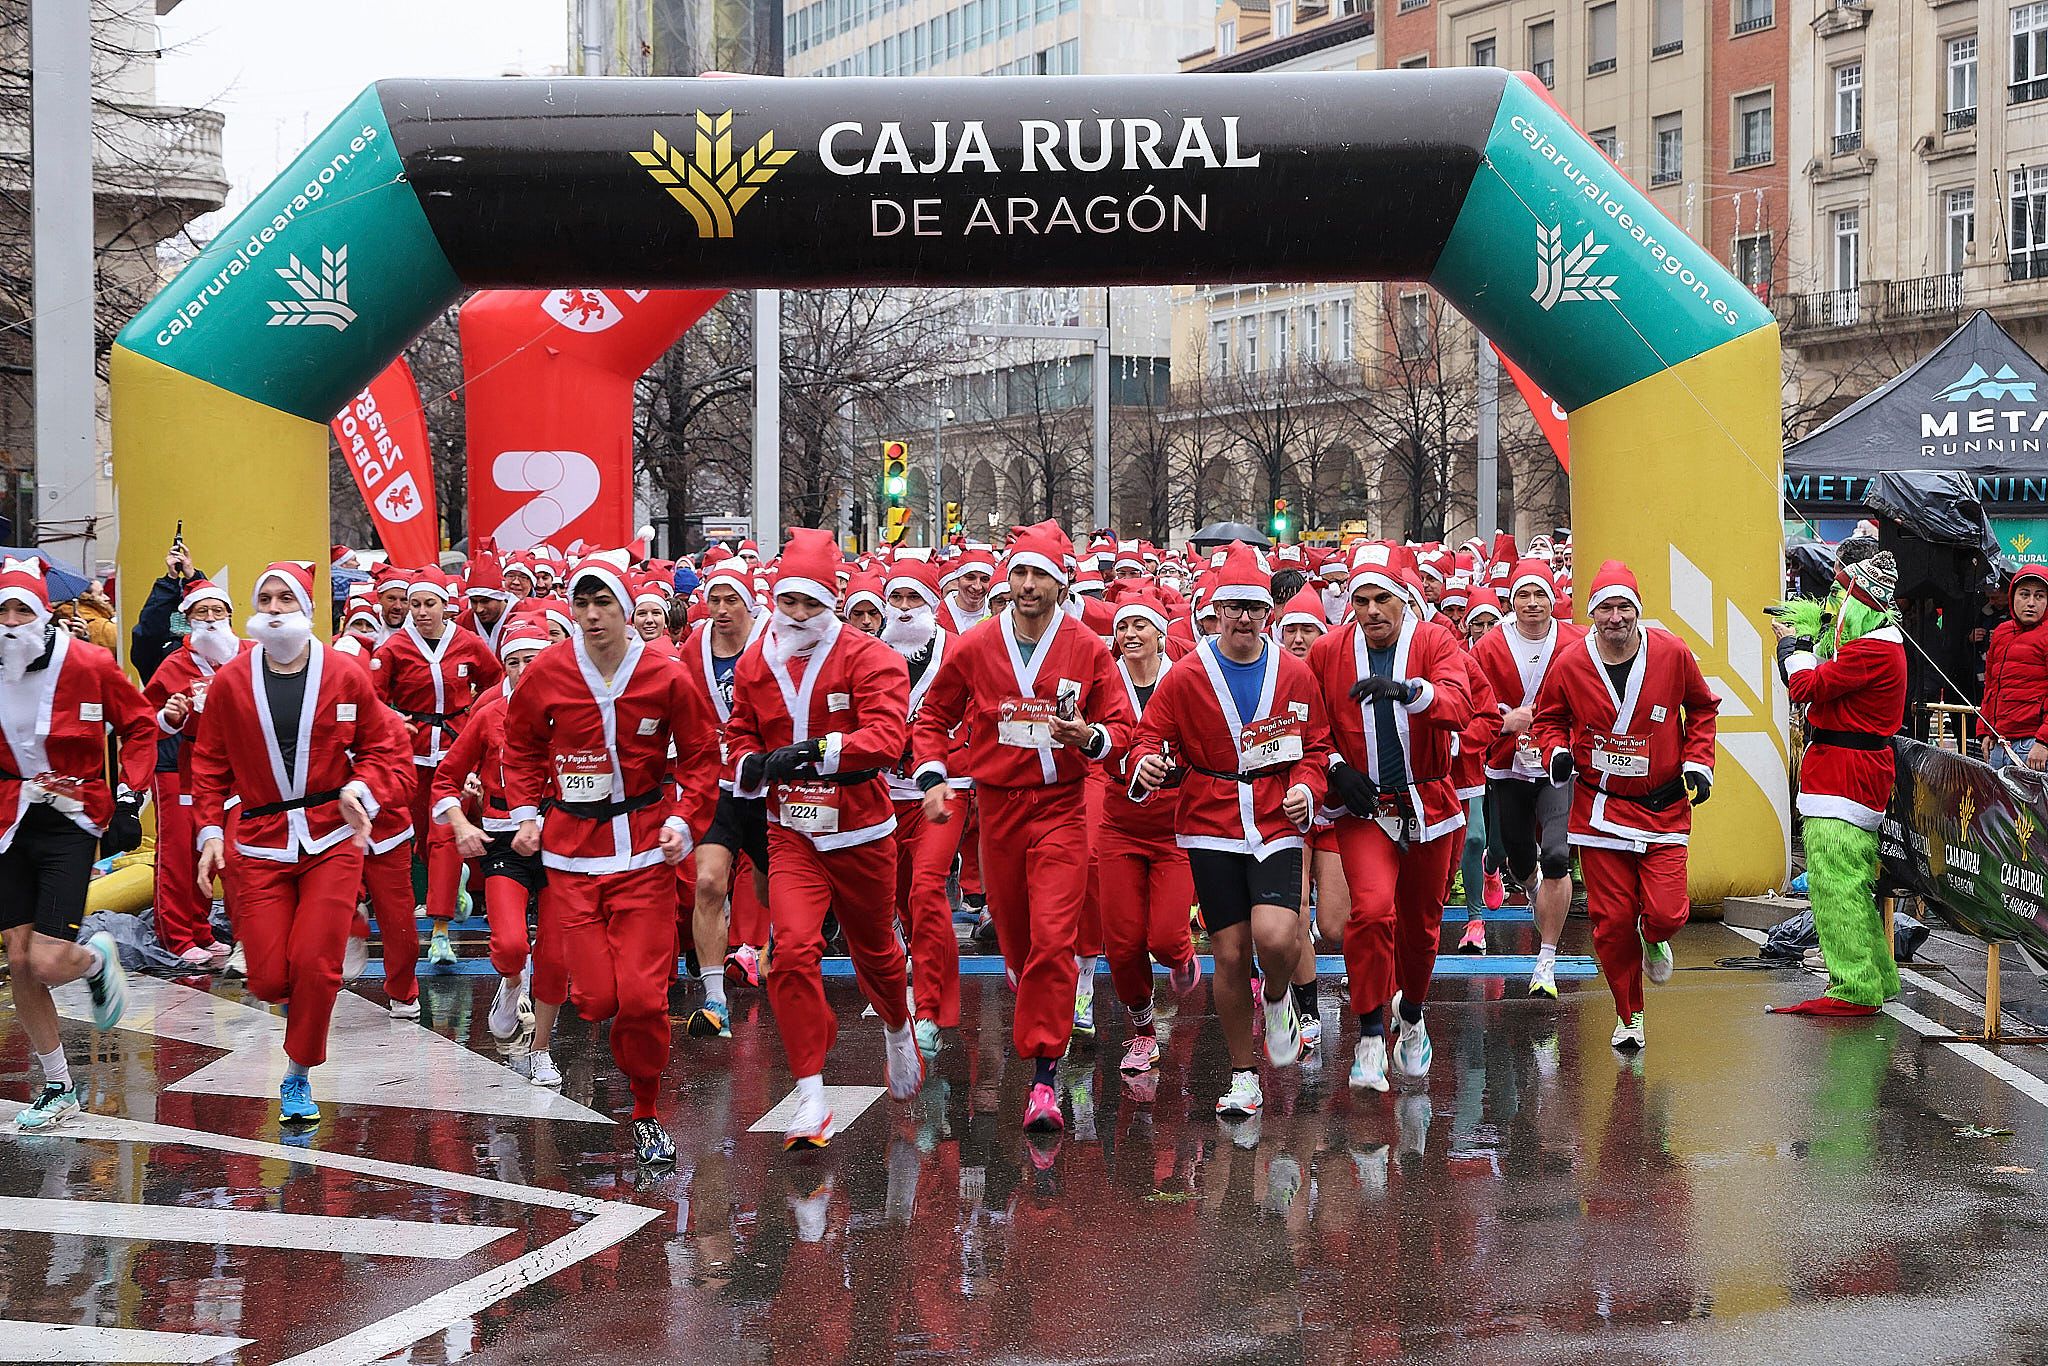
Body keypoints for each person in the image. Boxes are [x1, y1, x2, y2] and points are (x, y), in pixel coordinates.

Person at [912, 523, 1133, 1135]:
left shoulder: (1086, 647)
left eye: (1040, 575)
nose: (1028, 585)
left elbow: (1119, 725)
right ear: (1007, 582)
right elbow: (933, 713)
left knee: (1054, 939)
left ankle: (1043, 1079)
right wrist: (933, 775)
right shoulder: (977, 644)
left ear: (1061, 584)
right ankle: (1030, 977)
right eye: (1020, 574)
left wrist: (1090, 737)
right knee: (1017, 940)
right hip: (999, 808)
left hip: (1062, 805)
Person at [502, 556, 715, 1165]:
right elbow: (519, 745)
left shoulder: (666, 676)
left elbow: (701, 755)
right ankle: (612, 1043)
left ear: (628, 610)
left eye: (604, 604)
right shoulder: (547, 671)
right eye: (582, 605)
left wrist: (681, 819)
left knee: (644, 1000)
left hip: (645, 851)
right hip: (572, 856)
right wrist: (525, 813)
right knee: (596, 1000)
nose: (592, 617)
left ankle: (647, 1111)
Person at [190, 562, 414, 1126]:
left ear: (307, 609)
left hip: (331, 836)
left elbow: (386, 746)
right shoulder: (232, 681)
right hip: (261, 839)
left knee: (316, 962)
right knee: (268, 976)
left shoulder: (344, 674)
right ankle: (301, 1010)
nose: (272, 608)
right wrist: (211, 833)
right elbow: (210, 761)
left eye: (284, 599)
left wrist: (361, 787)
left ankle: (298, 1073)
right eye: (263, 598)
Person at [727, 530, 924, 1149]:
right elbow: (737, 733)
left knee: (878, 957)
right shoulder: (756, 661)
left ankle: (897, 1023)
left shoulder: (871, 657)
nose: (799, 616)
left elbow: (887, 740)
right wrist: (750, 764)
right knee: (790, 952)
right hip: (793, 836)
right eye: (789, 603)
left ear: (831, 603)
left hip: (863, 832)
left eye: (811, 604)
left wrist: (812, 753)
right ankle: (810, 1092)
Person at [1132, 546, 1330, 1118]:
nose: (1244, 618)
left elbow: (1316, 748)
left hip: (1275, 814)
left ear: (1269, 614)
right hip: (1211, 820)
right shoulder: (1188, 674)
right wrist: (1146, 761)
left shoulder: (1294, 674)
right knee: (1230, 952)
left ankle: (1277, 998)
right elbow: (1149, 736)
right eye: (1233, 607)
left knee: (1275, 937)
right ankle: (1245, 1075)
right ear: (1215, 612)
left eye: (1254, 608)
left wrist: (1309, 788)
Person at [1531, 560, 1719, 1050]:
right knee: (1612, 924)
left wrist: (1699, 760)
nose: (1615, 618)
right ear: (1592, 614)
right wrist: (1556, 753)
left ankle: (1655, 937)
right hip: (1601, 810)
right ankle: (1628, 1015)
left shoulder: (1672, 653)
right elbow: (1549, 719)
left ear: (1638, 610)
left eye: (1624, 607)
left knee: (1668, 913)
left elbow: (1701, 707)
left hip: (1662, 808)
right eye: (1605, 609)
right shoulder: (1572, 663)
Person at [1305, 542, 1472, 1093]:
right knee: (1372, 913)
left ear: (1402, 600)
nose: (1372, 610)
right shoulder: (1329, 651)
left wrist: (1407, 691)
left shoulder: (1434, 639)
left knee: (1422, 928)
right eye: (1362, 600)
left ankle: (1415, 1015)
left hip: (1427, 803)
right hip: (1364, 807)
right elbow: (1309, 722)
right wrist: (1333, 767)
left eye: (1382, 599)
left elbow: (1460, 704)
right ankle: (1371, 1031)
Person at [1, 558, 155, 1130]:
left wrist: (131, 794)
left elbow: (140, 724)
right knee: (17, 958)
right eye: (3, 611)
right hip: (9, 820)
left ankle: (95, 959)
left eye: (23, 610)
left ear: (44, 615)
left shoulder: (87, 663)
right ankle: (58, 1085)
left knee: (44, 960)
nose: (12, 622)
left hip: (73, 820)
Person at [1771, 551, 1907, 1016]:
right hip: (1841, 769)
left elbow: (1806, 686)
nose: (1832, 603)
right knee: (1845, 884)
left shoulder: (1875, 648)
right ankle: (1875, 978)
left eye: (1840, 593)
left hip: (1848, 775)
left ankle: (1853, 988)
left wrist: (1793, 648)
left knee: (1837, 886)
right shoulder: (1874, 642)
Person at [437, 618, 562, 1074]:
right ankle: (512, 984)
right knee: (511, 945)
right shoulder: (489, 715)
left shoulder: (573, 710)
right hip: (503, 839)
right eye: (514, 661)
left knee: (556, 954)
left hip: (562, 840)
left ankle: (541, 1050)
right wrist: (460, 824)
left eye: (533, 659)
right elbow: (445, 778)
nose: (525, 668)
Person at [1094, 587, 1201, 1079]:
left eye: (1141, 626)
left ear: (1161, 634)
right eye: (1122, 627)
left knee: (1163, 938)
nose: (1130, 635)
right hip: (1120, 820)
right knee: (1120, 940)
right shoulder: (1104, 680)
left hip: (1175, 822)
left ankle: (1181, 957)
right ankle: (1141, 1029)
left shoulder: (1183, 680)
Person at [373, 571, 503, 967]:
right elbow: (370, 698)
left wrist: (477, 717)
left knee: (445, 836)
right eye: (415, 605)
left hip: (455, 751)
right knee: (422, 837)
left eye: (430, 604)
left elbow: (497, 680)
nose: (422, 612)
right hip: (412, 755)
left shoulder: (467, 643)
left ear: (445, 606)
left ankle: (440, 931)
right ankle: (454, 890)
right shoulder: (394, 648)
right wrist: (395, 720)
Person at [1471, 560, 1582, 994]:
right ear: (1511, 601)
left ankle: (1546, 961)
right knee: (1519, 857)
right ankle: (1534, 889)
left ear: (1553, 598)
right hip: (1508, 765)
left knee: (1556, 854)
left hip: (1558, 764)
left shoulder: (1575, 641)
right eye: (1523, 595)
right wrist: (1505, 723)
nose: (1532, 604)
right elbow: (1472, 706)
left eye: (1540, 595)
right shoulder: (1489, 646)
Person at [879, 559, 971, 1058]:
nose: (907, 609)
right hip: (882, 795)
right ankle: (929, 975)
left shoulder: (955, 652)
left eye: (916, 599)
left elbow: (979, 712)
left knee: (928, 887)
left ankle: (933, 1009)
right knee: (899, 900)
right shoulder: (868, 653)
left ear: (934, 604)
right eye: (898, 600)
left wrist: (949, 757)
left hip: (942, 791)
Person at [683, 562, 770, 1038]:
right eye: (713, 599)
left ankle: (769, 949)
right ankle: (715, 997)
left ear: (748, 603)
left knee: (768, 888)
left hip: (764, 784)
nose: (719, 609)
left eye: (730, 600)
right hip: (716, 784)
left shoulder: (770, 642)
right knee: (710, 883)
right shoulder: (693, 648)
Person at [141, 577, 247, 968]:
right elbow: (143, 721)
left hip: (234, 773)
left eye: (218, 611)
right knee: (179, 855)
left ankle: (201, 928)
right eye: (201, 612)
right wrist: (169, 717)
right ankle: (177, 937)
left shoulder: (247, 655)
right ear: (187, 620)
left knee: (215, 849)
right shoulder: (174, 664)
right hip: (178, 767)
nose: (211, 619)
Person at [1979, 563, 2048, 770]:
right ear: (2013, 596)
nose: (2031, 603)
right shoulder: (2001, 632)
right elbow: (1991, 687)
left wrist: (2044, 742)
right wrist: (1986, 731)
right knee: (1998, 804)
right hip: (1999, 744)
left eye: (2039, 596)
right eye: (2024, 594)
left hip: (2034, 747)